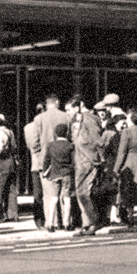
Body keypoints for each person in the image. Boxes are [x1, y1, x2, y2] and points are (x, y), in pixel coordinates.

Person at [35, 94, 71, 230]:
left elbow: (34, 142)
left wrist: (40, 155)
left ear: (46, 104)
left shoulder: (39, 119)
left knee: (50, 196)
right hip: (65, 163)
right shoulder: (66, 117)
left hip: (47, 161)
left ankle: (52, 223)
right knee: (65, 196)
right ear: (57, 102)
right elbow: (71, 137)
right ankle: (66, 222)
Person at [68, 95, 102, 235]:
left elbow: (96, 140)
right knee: (81, 193)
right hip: (81, 160)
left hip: (87, 161)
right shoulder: (81, 119)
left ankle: (92, 222)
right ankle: (87, 223)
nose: (68, 113)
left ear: (78, 107)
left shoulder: (89, 120)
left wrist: (94, 159)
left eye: (69, 109)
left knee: (83, 193)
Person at [43, 123, 75, 232]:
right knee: (66, 198)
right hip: (67, 174)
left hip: (54, 174)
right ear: (66, 132)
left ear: (56, 133)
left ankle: (50, 223)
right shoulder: (70, 146)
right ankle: (67, 223)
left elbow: (46, 160)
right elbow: (73, 161)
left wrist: (44, 171)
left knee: (53, 199)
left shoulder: (51, 145)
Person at [0, 113, 19, 222]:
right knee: (11, 189)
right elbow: (14, 147)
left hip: (1, 162)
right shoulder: (10, 131)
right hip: (11, 162)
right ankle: (12, 214)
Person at [23, 103, 45, 229]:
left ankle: (39, 219)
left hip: (35, 163)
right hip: (43, 163)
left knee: (38, 194)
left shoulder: (27, 128)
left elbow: (29, 146)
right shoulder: (45, 126)